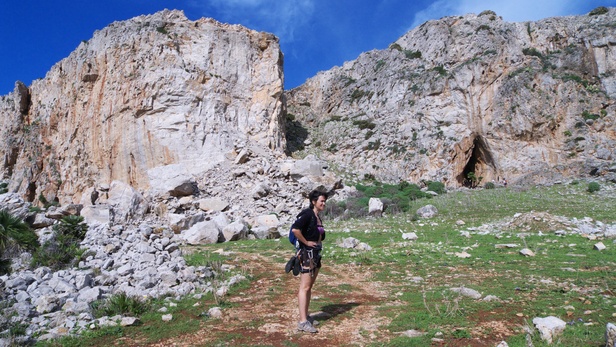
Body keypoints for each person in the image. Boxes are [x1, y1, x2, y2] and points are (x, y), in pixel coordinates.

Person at [290, 190, 327, 333]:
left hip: (315, 254)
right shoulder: (307, 214)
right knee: (304, 287)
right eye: (321, 201)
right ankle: (302, 322)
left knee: (309, 286)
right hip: (307, 254)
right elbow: (295, 230)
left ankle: (306, 316)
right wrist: (306, 242)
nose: (323, 203)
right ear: (313, 202)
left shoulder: (317, 216)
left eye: (324, 201)